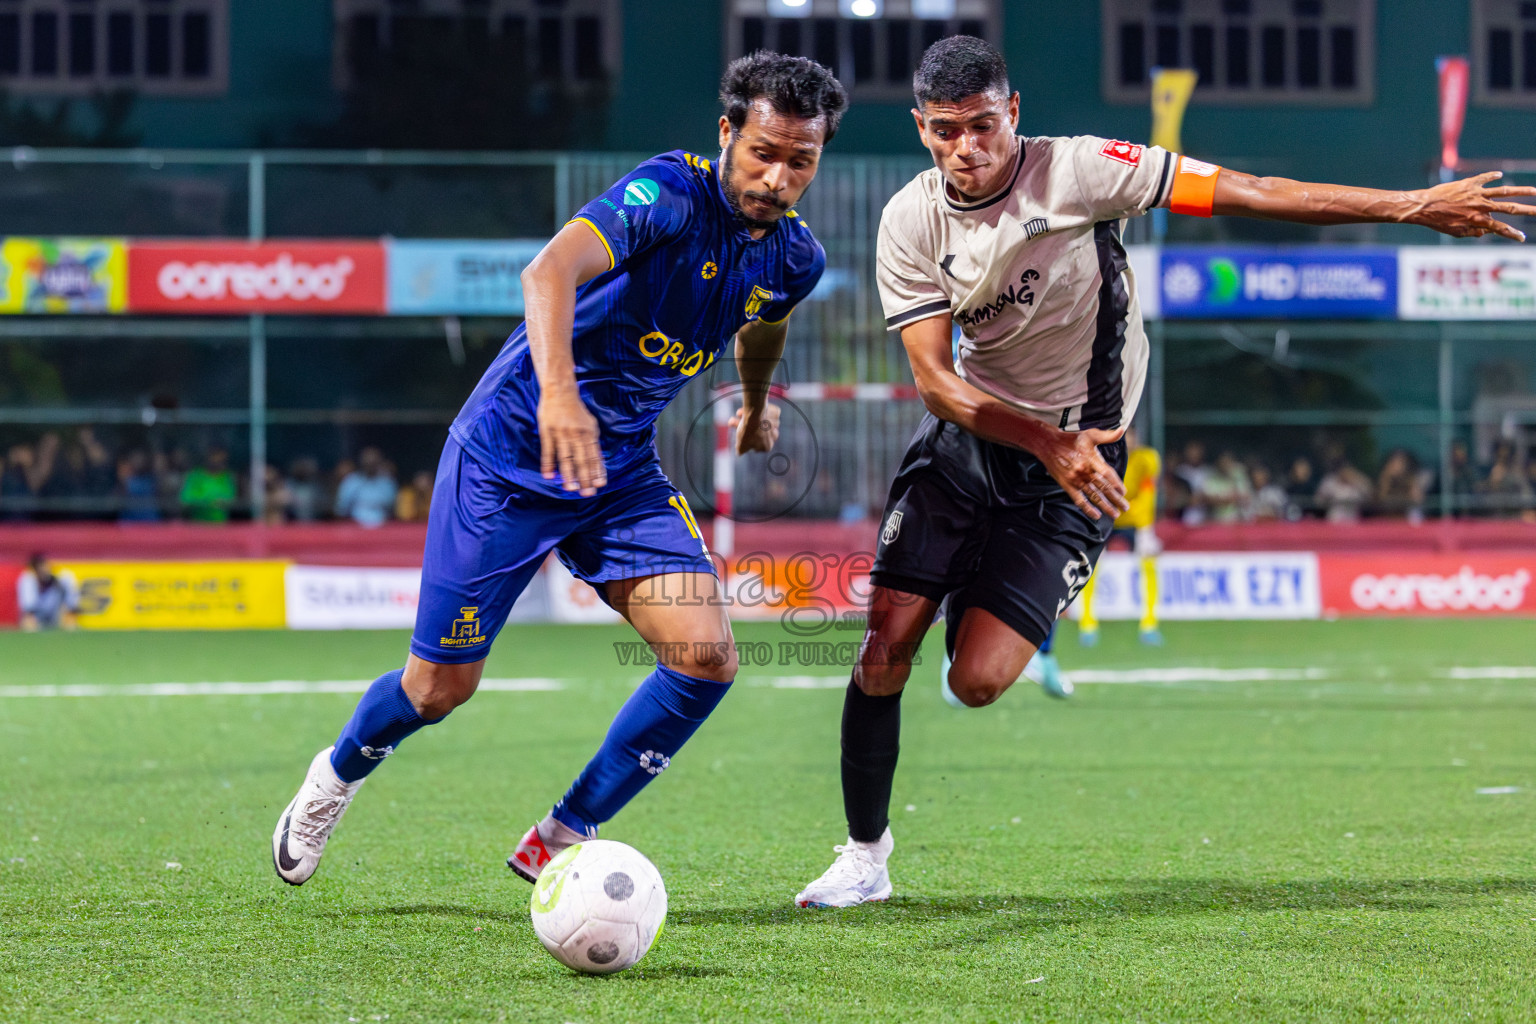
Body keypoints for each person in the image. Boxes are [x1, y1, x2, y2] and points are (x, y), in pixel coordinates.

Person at [794, 34, 1536, 909]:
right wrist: (1042, 441)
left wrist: (1410, 206)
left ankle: (974, 588)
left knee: (976, 680)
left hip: (1081, 464)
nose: (969, 147)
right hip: (972, 447)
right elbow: (935, 382)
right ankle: (865, 856)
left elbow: (1247, 190)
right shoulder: (909, 219)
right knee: (882, 651)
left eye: (985, 125)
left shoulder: (1082, 170)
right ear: (923, 128)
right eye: (949, 130)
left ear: (1015, 112)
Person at [272, 52, 847, 888]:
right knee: (438, 690)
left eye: (800, 160)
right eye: (763, 151)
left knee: (706, 656)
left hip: (618, 477)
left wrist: (756, 403)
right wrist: (558, 394)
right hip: (506, 462)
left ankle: (564, 832)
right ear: (727, 133)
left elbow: (765, 320)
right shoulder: (667, 195)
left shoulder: (796, 257)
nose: (778, 175)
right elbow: (548, 271)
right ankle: (336, 776)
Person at [1077, 425, 1162, 646]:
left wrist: (1134, 517)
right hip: (1106, 516)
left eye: (1132, 435)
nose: (1129, 440)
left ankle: (1149, 624)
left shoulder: (1147, 459)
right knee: (1090, 565)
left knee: (1149, 561)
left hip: (1135, 520)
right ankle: (1087, 624)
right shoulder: (1102, 457)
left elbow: (1147, 497)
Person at [333, 447, 399, 527]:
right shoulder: (351, 482)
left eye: (373, 463)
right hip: (355, 527)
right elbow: (341, 510)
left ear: (379, 463)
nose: (370, 466)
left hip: (383, 528)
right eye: (368, 464)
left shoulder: (387, 483)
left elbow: (393, 510)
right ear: (362, 463)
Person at [16, 553, 81, 631]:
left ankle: (69, 628)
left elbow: (71, 606)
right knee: (29, 622)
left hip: (55, 617)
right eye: (39, 567)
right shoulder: (28, 580)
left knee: (67, 577)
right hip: (36, 619)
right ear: (34, 570)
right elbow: (29, 610)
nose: (43, 569)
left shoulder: (58, 580)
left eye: (44, 566)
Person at [180, 447, 237, 523]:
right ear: (207, 456)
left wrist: (222, 502)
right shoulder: (195, 475)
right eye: (214, 455)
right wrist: (208, 501)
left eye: (220, 456)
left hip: (220, 525)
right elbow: (185, 499)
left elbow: (231, 499)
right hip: (197, 525)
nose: (217, 459)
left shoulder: (227, 477)